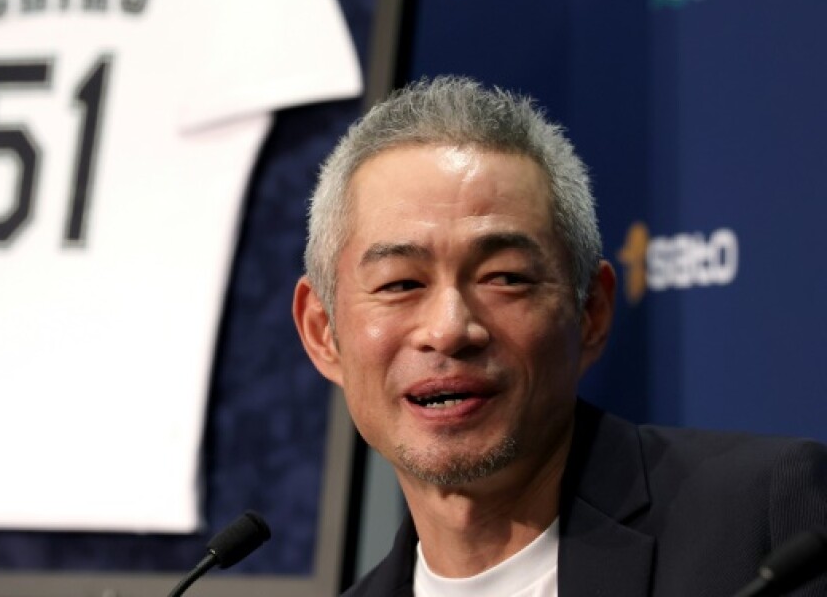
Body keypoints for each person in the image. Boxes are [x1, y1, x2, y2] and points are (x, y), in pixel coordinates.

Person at [292, 76, 827, 596]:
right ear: (322, 333)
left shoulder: (769, 525)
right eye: (401, 283)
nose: (450, 329)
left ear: (590, 310)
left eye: (504, 277)